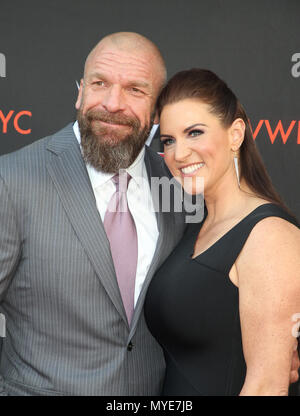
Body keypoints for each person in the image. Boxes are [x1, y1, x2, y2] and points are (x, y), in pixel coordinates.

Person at [0, 32, 187, 396]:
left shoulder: (180, 185)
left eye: (135, 89)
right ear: (80, 91)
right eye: (100, 84)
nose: (112, 103)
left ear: (157, 109)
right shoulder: (12, 180)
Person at [144, 68, 300, 396]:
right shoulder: (195, 226)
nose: (178, 154)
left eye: (195, 133)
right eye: (168, 140)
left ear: (235, 134)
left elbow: (267, 387)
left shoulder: (269, 235)